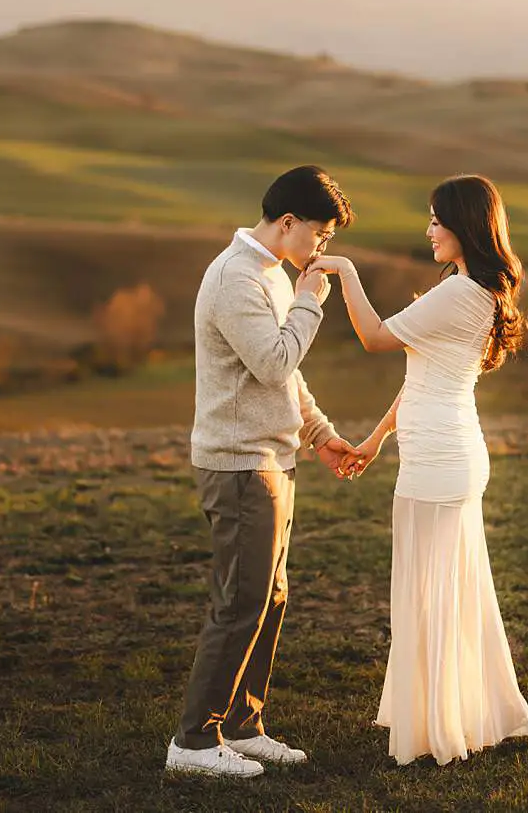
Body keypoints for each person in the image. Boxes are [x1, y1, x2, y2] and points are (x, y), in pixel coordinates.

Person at [305, 173, 528, 766]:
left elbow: (377, 339)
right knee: (441, 591)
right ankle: (449, 714)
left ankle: (438, 728)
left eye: (437, 218)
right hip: (443, 452)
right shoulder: (467, 287)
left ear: (465, 224)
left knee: (431, 595)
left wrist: (346, 272)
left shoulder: (463, 293)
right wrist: (377, 440)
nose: (428, 229)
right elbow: (419, 379)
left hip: (439, 460)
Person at [165, 165, 363, 779]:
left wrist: (322, 435)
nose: (321, 248)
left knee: (269, 598)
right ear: (287, 223)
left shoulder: (270, 275)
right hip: (239, 464)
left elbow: (287, 379)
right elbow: (276, 362)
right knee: (241, 601)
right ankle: (193, 743)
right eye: (320, 235)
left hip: (274, 459)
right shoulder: (235, 279)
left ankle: (244, 726)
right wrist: (310, 304)